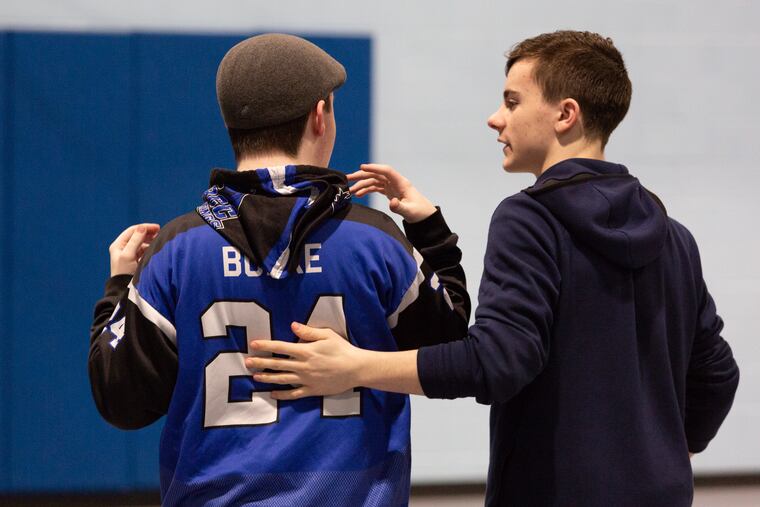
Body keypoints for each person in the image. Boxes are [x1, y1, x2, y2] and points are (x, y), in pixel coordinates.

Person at [246, 30, 740, 506]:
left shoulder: (530, 218)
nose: (494, 118)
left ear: (566, 115)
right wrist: (667, 455)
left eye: (512, 101)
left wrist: (356, 367)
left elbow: (499, 359)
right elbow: (717, 373)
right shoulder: (675, 238)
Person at [88, 33, 470, 506]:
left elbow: (119, 400)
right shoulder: (376, 241)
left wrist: (119, 288)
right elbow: (451, 352)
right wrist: (430, 230)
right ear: (319, 115)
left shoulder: (176, 250)